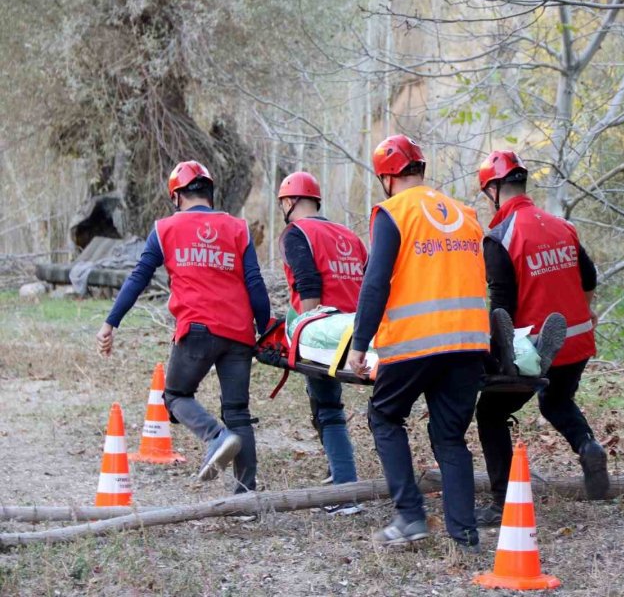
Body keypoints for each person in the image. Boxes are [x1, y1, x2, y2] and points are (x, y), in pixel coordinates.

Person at [347, 135, 489, 551]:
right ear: (421, 169)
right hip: (468, 341)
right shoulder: (466, 214)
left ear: (387, 177)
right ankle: (464, 537)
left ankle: (409, 516)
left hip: (415, 342)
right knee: (450, 436)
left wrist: (360, 342)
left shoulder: (393, 213)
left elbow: (376, 283)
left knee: (385, 416)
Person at [96, 160, 270, 494]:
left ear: (176, 196)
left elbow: (139, 278)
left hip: (197, 330)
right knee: (238, 411)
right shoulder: (239, 228)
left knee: (175, 395)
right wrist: (266, 329)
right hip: (239, 334)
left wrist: (111, 322)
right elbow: (255, 283)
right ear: (209, 193)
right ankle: (246, 497)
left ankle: (216, 437)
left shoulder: (165, 229)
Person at [473, 150, 610, 527]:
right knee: (557, 399)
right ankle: (587, 445)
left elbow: (501, 308)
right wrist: (586, 310)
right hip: (578, 340)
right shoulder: (560, 225)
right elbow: (589, 278)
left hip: (536, 349)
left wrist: (493, 357)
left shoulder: (500, 237)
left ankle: (503, 503)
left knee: (490, 413)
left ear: (494, 190)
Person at [277, 170, 366, 515]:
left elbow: (308, 284)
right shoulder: (349, 235)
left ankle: (345, 491)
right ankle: (338, 474)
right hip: (361, 332)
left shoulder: (296, 233)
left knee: (327, 408)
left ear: (289, 202)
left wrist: (304, 331)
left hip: (326, 334)